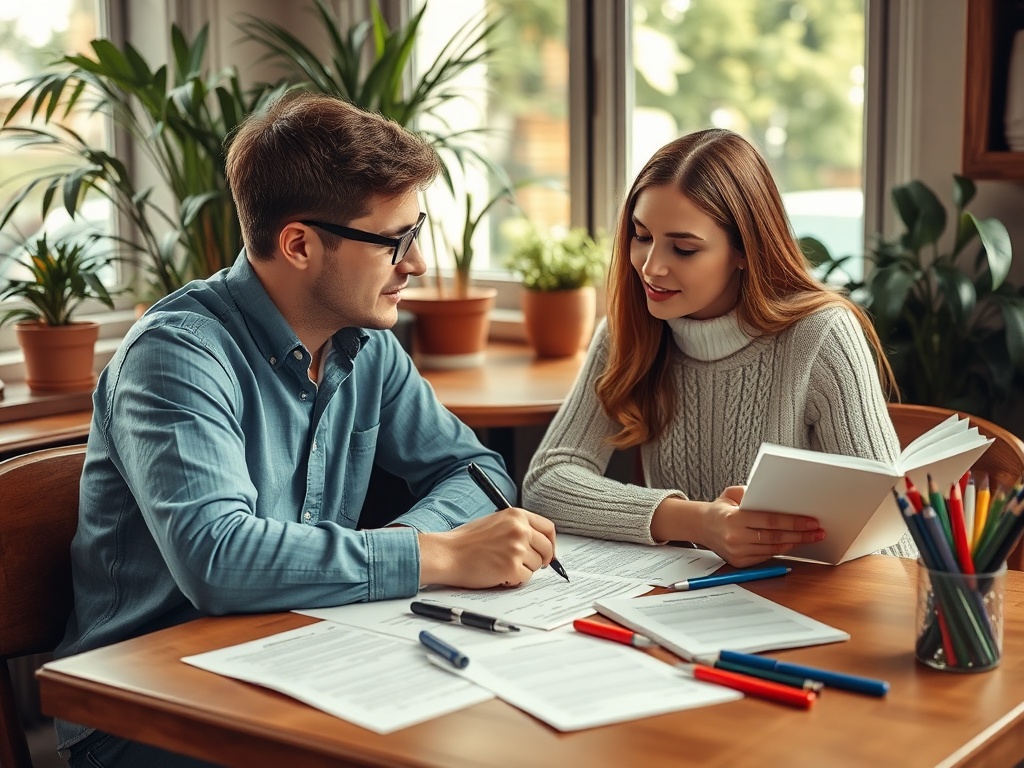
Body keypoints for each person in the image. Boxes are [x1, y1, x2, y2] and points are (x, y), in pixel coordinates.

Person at [54, 93, 556, 767]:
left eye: (419, 230)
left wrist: (403, 545)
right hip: (145, 710)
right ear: (298, 245)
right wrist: (437, 555)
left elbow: (476, 473)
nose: (418, 264)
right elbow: (219, 560)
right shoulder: (175, 354)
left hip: (302, 656)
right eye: (395, 242)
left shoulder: (365, 344)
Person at [523, 128, 916, 568]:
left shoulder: (820, 335)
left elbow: (896, 541)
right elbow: (547, 482)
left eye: (684, 249)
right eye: (641, 236)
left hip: (804, 606)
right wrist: (697, 522)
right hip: (680, 602)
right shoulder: (627, 331)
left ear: (744, 250)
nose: (651, 267)